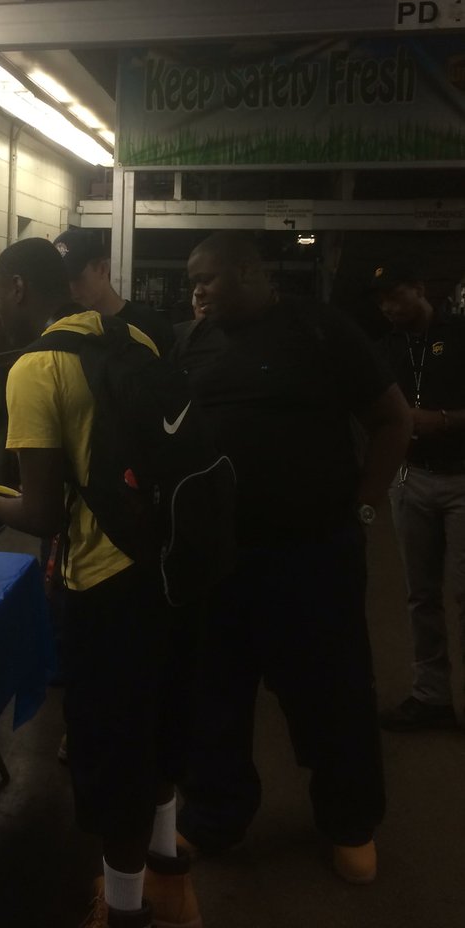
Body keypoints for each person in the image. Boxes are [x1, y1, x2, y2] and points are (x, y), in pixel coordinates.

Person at [0, 238, 200, 928]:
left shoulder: (35, 367)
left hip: (107, 579)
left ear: (14, 290)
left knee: (110, 744)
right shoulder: (129, 338)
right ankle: (166, 855)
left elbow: (40, 512)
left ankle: (122, 909)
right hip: (170, 563)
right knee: (160, 719)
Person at [174, 232, 411, 884]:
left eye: (209, 277)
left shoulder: (319, 329)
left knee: (330, 692)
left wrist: (364, 503)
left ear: (251, 272)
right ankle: (214, 816)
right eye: (192, 279)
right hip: (218, 560)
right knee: (214, 694)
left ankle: (349, 820)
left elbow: (393, 420)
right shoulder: (193, 344)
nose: (196, 289)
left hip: (312, 555)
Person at [371, 257, 465, 731]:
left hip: (461, 478)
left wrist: (443, 420)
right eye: (383, 301)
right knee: (419, 595)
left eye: (396, 296)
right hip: (410, 480)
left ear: (420, 288)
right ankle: (432, 698)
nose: (389, 307)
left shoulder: (460, 335)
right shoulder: (386, 350)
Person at [54, 227, 174, 357]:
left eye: (76, 278)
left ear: (102, 269)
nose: (70, 288)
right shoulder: (62, 329)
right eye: (62, 281)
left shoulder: (151, 326)